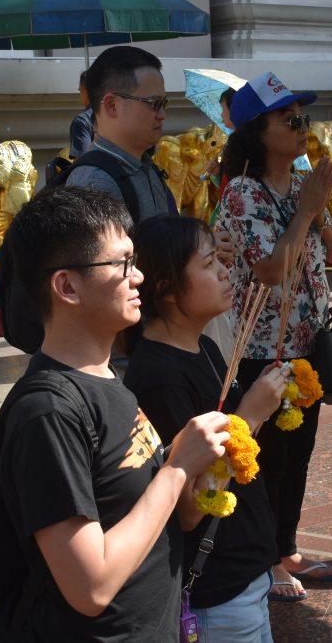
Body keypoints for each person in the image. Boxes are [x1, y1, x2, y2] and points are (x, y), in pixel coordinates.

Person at [0, 185, 230, 640]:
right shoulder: (48, 412)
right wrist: (177, 468)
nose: (138, 276)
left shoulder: (108, 380)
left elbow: (165, 519)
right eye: (122, 264)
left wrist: (197, 467)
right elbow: (92, 586)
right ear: (66, 286)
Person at [125, 215, 304, 634]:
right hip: (216, 586)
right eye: (209, 264)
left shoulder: (202, 344)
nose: (226, 272)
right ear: (167, 289)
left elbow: (233, 452)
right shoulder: (159, 379)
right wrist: (250, 415)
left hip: (246, 571)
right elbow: (188, 506)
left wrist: (260, 407)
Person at [218, 72, 332, 591]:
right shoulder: (242, 196)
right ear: (258, 131)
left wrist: (317, 213)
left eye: (305, 119)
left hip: (306, 346)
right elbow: (272, 270)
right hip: (257, 353)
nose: (303, 128)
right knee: (264, 460)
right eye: (290, 119)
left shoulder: (303, 188)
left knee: (298, 457)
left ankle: (287, 549)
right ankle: (263, 560)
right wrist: (304, 213)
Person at [67, 46, 178, 223]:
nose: (163, 114)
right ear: (112, 105)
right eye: (154, 103)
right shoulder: (95, 184)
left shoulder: (145, 167)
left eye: (164, 103)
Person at [69, 71, 95, 159]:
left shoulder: (82, 121)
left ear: (85, 91)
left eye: (80, 90)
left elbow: (83, 161)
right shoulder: (116, 115)